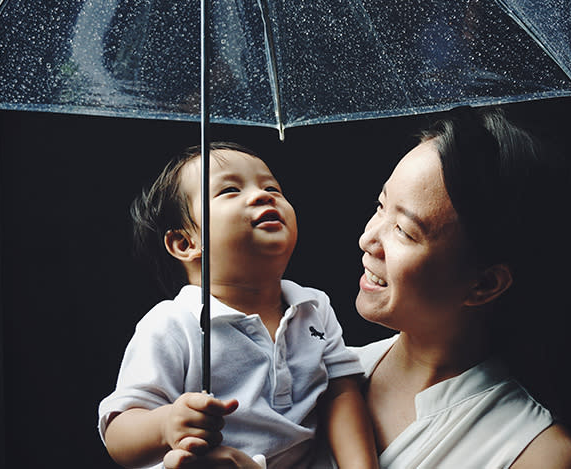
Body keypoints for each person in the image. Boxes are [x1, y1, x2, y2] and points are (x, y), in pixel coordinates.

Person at [163, 107, 571, 468]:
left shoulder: (536, 455)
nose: (368, 239)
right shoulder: (314, 372)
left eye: (404, 230)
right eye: (380, 206)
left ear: (484, 283)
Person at [98, 142, 379, 469]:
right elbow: (117, 434)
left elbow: (340, 394)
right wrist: (165, 423)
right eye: (230, 190)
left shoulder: (313, 307)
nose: (263, 195)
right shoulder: (173, 324)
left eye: (271, 187)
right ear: (186, 243)